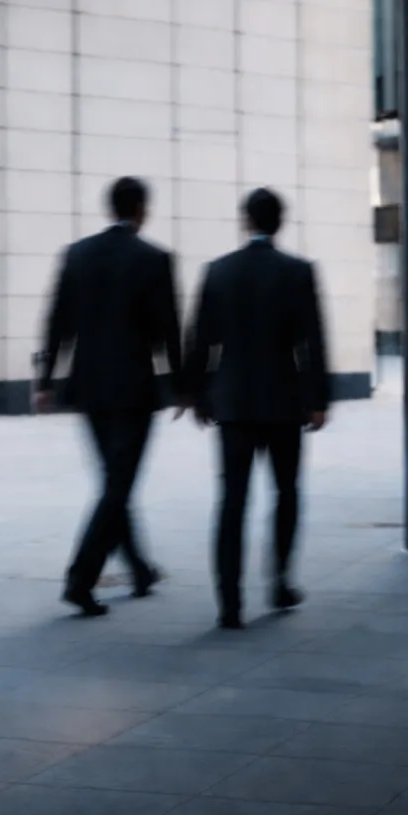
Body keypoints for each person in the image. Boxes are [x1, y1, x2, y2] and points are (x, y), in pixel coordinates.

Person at [35, 176, 184, 618]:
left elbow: (57, 321)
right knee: (118, 485)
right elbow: (167, 330)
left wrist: (46, 379)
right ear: (142, 210)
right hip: (135, 390)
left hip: (88, 388)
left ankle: (138, 569)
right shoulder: (154, 259)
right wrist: (180, 386)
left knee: (114, 483)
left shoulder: (77, 255)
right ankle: (80, 580)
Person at [183, 187, 331, 630]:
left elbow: (201, 340)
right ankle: (280, 581)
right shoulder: (298, 272)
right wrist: (318, 400)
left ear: (245, 221)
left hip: (233, 403)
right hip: (284, 402)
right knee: (285, 493)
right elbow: (312, 343)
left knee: (232, 501)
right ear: (280, 222)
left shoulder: (219, 271)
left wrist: (196, 394)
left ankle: (229, 602)